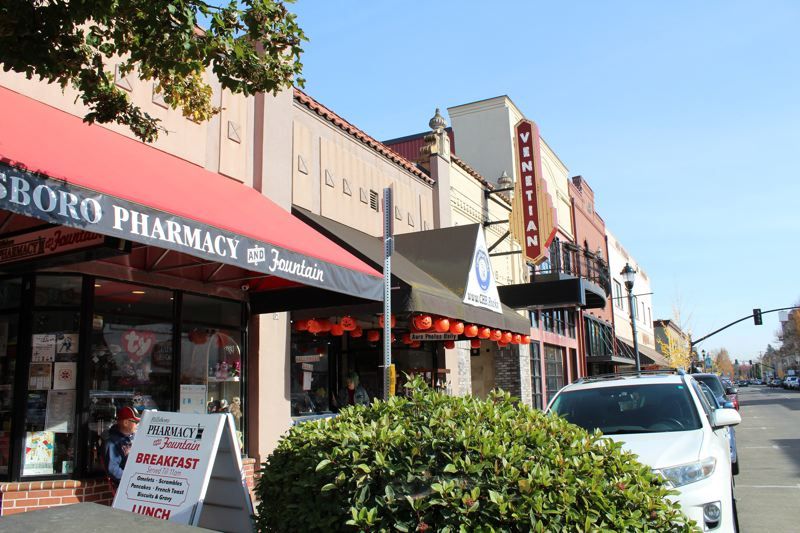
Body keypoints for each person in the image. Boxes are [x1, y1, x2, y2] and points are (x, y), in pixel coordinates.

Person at [103, 405, 140, 488]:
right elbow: (113, 469)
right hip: (127, 485)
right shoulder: (112, 442)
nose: (137, 425)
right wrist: (132, 479)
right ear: (126, 422)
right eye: (136, 422)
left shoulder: (135, 438)